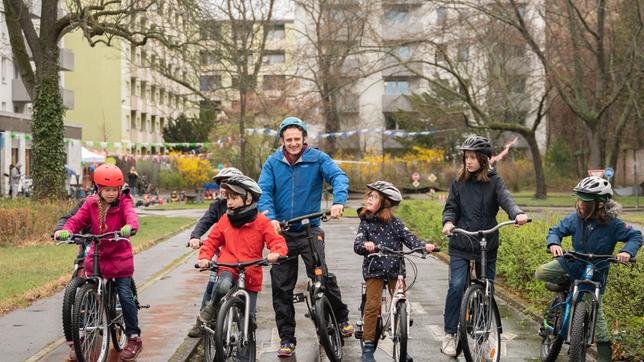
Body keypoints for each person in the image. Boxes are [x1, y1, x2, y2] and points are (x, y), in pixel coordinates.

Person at [258, 116, 354, 358]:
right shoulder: (272, 163)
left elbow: (339, 177)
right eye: (288, 139)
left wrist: (338, 202)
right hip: (282, 233)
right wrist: (269, 217)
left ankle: (341, 318)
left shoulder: (317, 158)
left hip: (310, 229)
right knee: (281, 288)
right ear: (282, 140)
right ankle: (287, 339)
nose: (293, 143)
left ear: (304, 139)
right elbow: (264, 192)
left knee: (322, 275)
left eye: (297, 139)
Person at [535, 176, 641, 362]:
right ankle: (564, 289)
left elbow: (635, 236)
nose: (580, 205)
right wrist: (554, 244)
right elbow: (555, 230)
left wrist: (626, 252)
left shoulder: (613, 224)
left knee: (597, 318)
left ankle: (604, 357)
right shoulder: (575, 219)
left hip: (596, 274)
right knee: (540, 272)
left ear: (600, 204)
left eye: (586, 202)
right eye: (579, 200)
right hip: (572, 263)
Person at [440, 135, 529, 357]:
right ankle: (450, 333)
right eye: (466, 157)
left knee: (487, 288)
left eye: (472, 157)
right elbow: (451, 207)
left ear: (483, 159)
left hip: (486, 243)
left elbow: (506, 199)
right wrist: (449, 222)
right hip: (462, 241)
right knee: (457, 285)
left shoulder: (494, 182)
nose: (468, 161)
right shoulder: (458, 181)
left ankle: (481, 336)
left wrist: (517, 214)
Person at [54, 164, 142, 361]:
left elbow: (131, 216)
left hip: (120, 257)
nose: (111, 194)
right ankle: (84, 330)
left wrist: (129, 227)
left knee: (126, 296)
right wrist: (65, 229)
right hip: (97, 256)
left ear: (120, 189)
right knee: (87, 289)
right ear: (99, 189)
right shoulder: (91, 204)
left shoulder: (124, 202)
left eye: (115, 190)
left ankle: (134, 338)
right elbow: (76, 220)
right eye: (107, 190)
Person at [196, 175, 288, 357]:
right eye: (227, 197)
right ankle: (213, 306)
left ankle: (243, 355)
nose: (229, 202)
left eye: (234, 197)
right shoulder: (224, 220)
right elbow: (211, 242)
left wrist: (276, 252)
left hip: (251, 271)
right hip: (228, 266)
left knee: (249, 320)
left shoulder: (261, 222)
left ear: (248, 198)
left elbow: (276, 241)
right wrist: (204, 257)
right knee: (222, 285)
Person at [353, 181, 436, 362]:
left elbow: (410, 239)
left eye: (374, 197)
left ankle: (402, 344)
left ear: (384, 203)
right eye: (369, 196)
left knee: (401, 303)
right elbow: (357, 244)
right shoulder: (365, 223)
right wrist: (366, 245)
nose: (369, 199)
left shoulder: (396, 223)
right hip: (374, 270)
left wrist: (424, 246)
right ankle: (368, 347)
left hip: (395, 269)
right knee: (373, 305)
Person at [185, 167, 243, 337]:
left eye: (228, 185)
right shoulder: (217, 206)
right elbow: (205, 221)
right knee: (212, 287)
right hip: (222, 253)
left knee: (246, 286)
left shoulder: (245, 206)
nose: (224, 189)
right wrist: (195, 236)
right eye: (221, 185)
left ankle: (245, 322)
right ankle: (202, 322)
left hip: (242, 255)